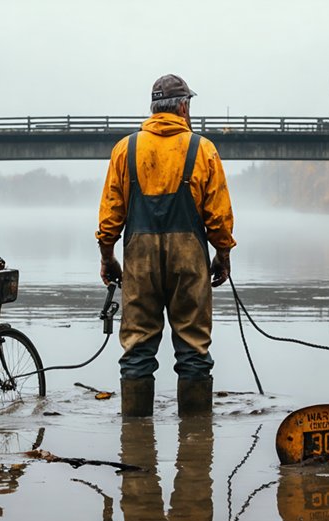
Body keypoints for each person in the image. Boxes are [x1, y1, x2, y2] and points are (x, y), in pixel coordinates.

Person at [96, 73, 235, 417]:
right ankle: (196, 443)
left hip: (139, 260)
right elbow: (218, 214)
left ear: (153, 108)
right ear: (184, 107)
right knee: (193, 348)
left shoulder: (124, 150)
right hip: (189, 260)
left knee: (137, 348)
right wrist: (223, 253)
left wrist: (107, 257)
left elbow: (110, 214)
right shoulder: (203, 149)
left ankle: (136, 447)